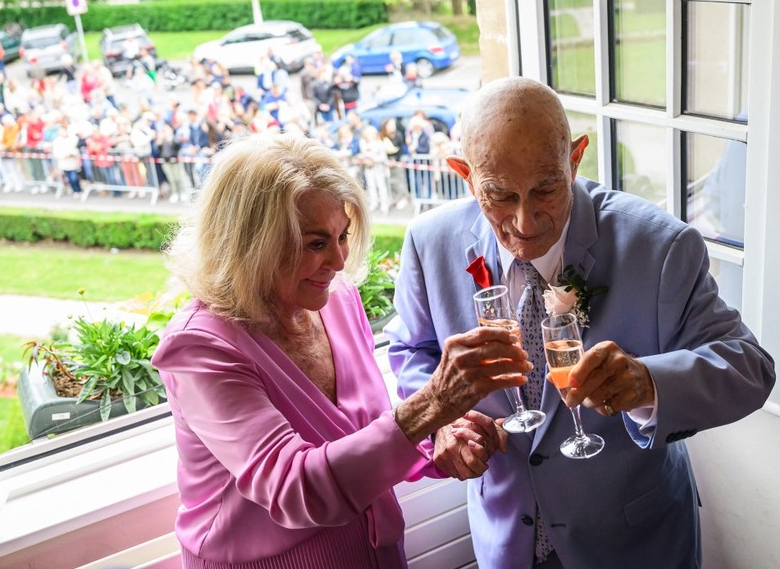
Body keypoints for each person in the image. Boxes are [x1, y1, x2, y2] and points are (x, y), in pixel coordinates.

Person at [386, 76, 776, 569]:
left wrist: (648, 383)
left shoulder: (659, 247)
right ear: (465, 176)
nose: (525, 223)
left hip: (636, 544)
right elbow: (411, 351)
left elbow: (750, 367)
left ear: (574, 159)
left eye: (545, 188)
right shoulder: (428, 243)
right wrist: (444, 422)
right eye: (500, 196)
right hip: (504, 542)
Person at [153, 133, 533, 568]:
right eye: (316, 243)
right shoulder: (201, 348)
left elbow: (365, 430)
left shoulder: (337, 299)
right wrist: (433, 404)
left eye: (343, 236)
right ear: (251, 245)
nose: (338, 261)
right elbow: (295, 488)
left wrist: (441, 434)